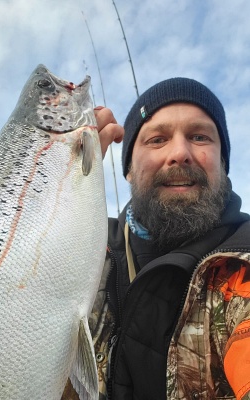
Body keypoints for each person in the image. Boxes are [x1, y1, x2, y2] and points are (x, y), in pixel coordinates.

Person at [64, 78, 250, 399]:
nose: (180, 153)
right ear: (129, 171)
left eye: (199, 136)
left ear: (222, 163)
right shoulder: (76, 250)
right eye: (157, 139)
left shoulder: (242, 264)